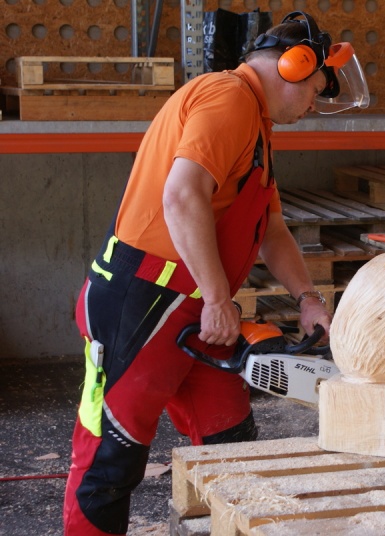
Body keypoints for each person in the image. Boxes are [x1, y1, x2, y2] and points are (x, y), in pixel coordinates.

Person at [63, 11, 369, 535]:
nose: (314, 104)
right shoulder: (228, 99)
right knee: (111, 458)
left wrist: (308, 300)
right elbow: (182, 197)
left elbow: (272, 228)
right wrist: (217, 298)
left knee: (229, 443)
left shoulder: (256, 124)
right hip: (144, 301)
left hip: (195, 307)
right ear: (292, 66)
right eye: (316, 90)